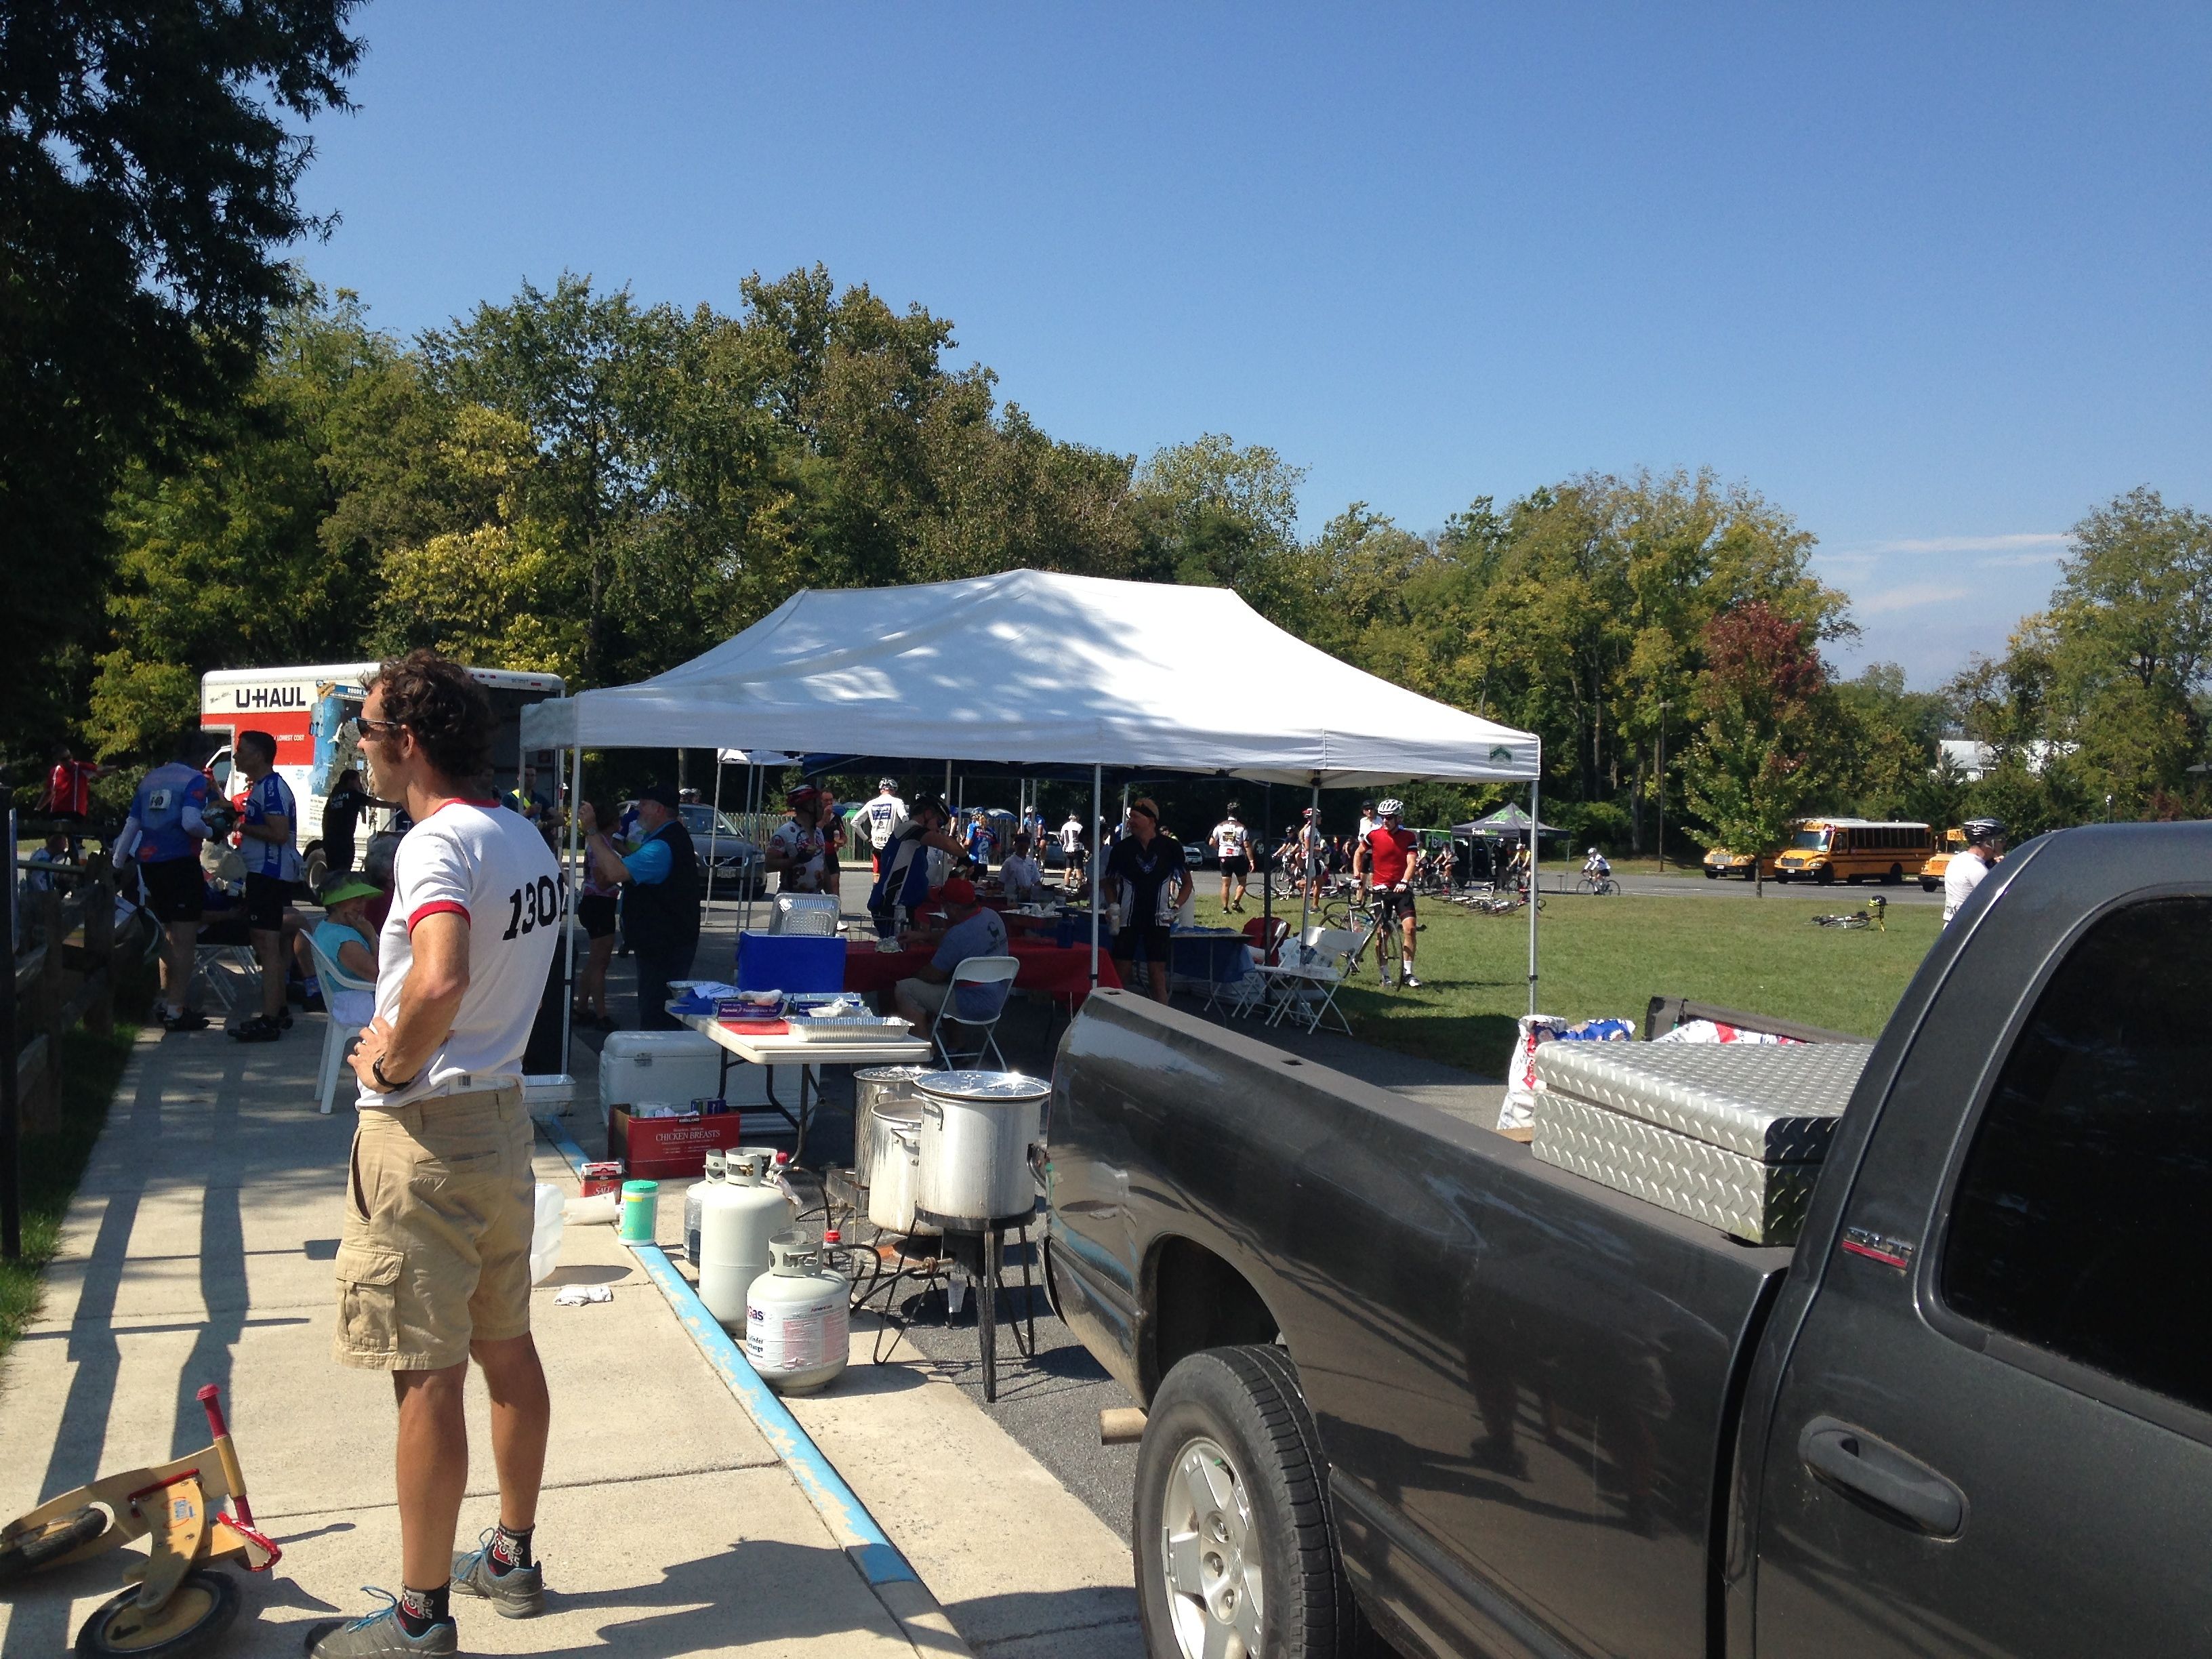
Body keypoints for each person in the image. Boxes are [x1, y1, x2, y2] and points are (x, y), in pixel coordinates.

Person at [310, 649, 561, 1658]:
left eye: (366, 734)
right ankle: (511, 1552)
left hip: (426, 1133)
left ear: (406, 743)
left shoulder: (434, 843)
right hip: (501, 1121)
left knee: (425, 1374)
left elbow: (443, 976)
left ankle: (419, 1617)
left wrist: (391, 1066)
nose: (361, 752)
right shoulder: (523, 836)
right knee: (508, 1346)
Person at [584, 783, 698, 1030]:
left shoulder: (662, 846)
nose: (638, 811)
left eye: (644, 805)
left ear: (659, 810)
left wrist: (592, 832)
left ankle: (659, 1052)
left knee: (657, 1013)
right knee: (658, 1008)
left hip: (665, 944)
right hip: (664, 941)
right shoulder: (664, 838)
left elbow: (615, 873)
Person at [230, 730, 304, 1042]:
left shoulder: (271, 788)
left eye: (242, 750)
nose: (236, 756)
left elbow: (278, 833)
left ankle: (270, 1017)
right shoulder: (262, 786)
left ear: (259, 755)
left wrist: (241, 826)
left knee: (266, 944)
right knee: (272, 943)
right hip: (265, 873)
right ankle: (279, 1009)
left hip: (269, 873)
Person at [893, 877, 1012, 1040]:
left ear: (953, 908)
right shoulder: (992, 916)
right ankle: (956, 1045)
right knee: (949, 982)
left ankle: (923, 1050)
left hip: (971, 1002)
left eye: (945, 905)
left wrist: (908, 974)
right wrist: (923, 936)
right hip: (999, 996)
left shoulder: (957, 935)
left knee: (905, 988)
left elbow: (932, 975)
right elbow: (958, 937)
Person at [1105, 798, 1191, 1002]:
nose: (1130, 822)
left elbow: (1187, 883)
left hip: (1159, 919)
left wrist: (1176, 907)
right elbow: (1108, 883)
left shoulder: (1170, 847)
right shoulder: (1121, 849)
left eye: (1136, 817)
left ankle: (1161, 1019)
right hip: (1127, 919)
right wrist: (1113, 906)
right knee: (1121, 972)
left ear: (1151, 820)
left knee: (1157, 974)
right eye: (1130, 817)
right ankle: (1115, 1014)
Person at [869, 795, 969, 936]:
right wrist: (965, 858)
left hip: (902, 906)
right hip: (892, 907)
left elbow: (913, 876)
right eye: (939, 822)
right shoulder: (909, 828)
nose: (938, 829)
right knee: (896, 947)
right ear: (927, 814)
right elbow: (945, 843)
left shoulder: (916, 843)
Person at [1355, 798, 1423, 989]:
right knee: (1383, 934)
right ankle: (1385, 975)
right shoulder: (1374, 835)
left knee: (1410, 929)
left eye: (1390, 817)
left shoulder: (1408, 837)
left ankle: (1408, 973)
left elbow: (1411, 862)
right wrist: (1357, 876)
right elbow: (1359, 853)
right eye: (1383, 817)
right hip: (1381, 891)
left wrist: (1404, 881)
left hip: (1401, 890)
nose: (1385, 821)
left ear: (1399, 818)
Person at [571, 798, 621, 1029]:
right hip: (599, 903)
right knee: (601, 962)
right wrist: (622, 875)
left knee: (595, 961)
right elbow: (602, 880)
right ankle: (602, 1015)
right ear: (611, 823)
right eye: (618, 820)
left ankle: (582, 1007)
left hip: (597, 903)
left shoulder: (603, 842)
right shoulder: (601, 846)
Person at [45, 742, 110, 854]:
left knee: (76, 841)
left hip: (75, 812)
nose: (69, 761)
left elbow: (100, 770)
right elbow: (48, 792)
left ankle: (78, 858)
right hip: (57, 812)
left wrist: (116, 767)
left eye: (70, 757)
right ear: (57, 760)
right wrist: (38, 808)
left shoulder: (80, 767)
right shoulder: (54, 772)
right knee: (52, 840)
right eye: (65, 759)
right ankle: (50, 860)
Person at [764, 785, 832, 893]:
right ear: (808, 806)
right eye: (819, 805)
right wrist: (797, 860)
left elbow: (824, 868)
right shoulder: (784, 833)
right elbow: (768, 865)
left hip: (816, 897)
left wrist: (832, 897)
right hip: (791, 897)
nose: (822, 809)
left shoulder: (818, 833)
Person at [1943, 817, 2006, 925]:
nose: (2003, 844)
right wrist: (2004, 869)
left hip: (1953, 925)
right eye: (2000, 840)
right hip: (1967, 927)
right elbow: (2000, 901)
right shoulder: (1977, 868)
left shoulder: (1958, 859)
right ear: (1988, 842)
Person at [323, 766, 376, 878]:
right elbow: (374, 803)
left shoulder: (334, 795)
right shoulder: (352, 795)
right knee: (344, 872)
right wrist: (397, 805)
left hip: (330, 842)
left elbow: (325, 817)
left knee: (333, 872)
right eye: (357, 781)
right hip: (344, 842)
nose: (359, 785)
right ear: (350, 781)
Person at [1212, 805, 1254, 913]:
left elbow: (1211, 842)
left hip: (1224, 857)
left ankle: (1225, 908)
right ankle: (1236, 902)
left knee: (1225, 884)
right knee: (1242, 882)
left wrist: (1219, 848)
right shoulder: (1241, 827)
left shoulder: (1220, 826)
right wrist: (1251, 861)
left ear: (1227, 813)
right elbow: (1247, 845)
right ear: (1238, 814)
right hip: (1237, 856)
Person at [861, 779, 907, 875]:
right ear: (893, 790)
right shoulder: (897, 802)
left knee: (877, 875)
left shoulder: (871, 803)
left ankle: (876, 885)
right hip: (892, 843)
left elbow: (854, 823)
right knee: (892, 875)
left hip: (876, 843)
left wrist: (866, 839)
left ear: (881, 790)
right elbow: (905, 819)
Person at [1000, 834, 1046, 903]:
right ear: (1015, 846)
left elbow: (1037, 881)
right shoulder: (1009, 863)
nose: (1023, 851)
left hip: (1028, 898)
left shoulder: (1031, 862)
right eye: (1020, 848)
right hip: (1012, 898)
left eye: (1025, 848)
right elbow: (1001, 882)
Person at [1058, 811, 1086, 890]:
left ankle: (1067, 885)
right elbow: (1082, 838)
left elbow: (1061, 838)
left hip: (1067, 849)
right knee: (1078, 869)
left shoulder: (1065, 826)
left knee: (1068, 869)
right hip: (1076, 849)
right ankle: (1079, 886)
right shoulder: (1079, 826)